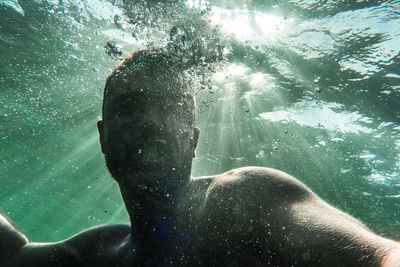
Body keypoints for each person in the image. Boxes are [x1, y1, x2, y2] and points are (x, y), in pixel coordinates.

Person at [2, 49, 400, 267]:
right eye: (131, 105)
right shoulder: (98, 253)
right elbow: (14, 253)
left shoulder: (240, 200)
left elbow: (379, 255)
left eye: (170, 107)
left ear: (193, 140)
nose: (151, 122)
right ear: (104, 138)